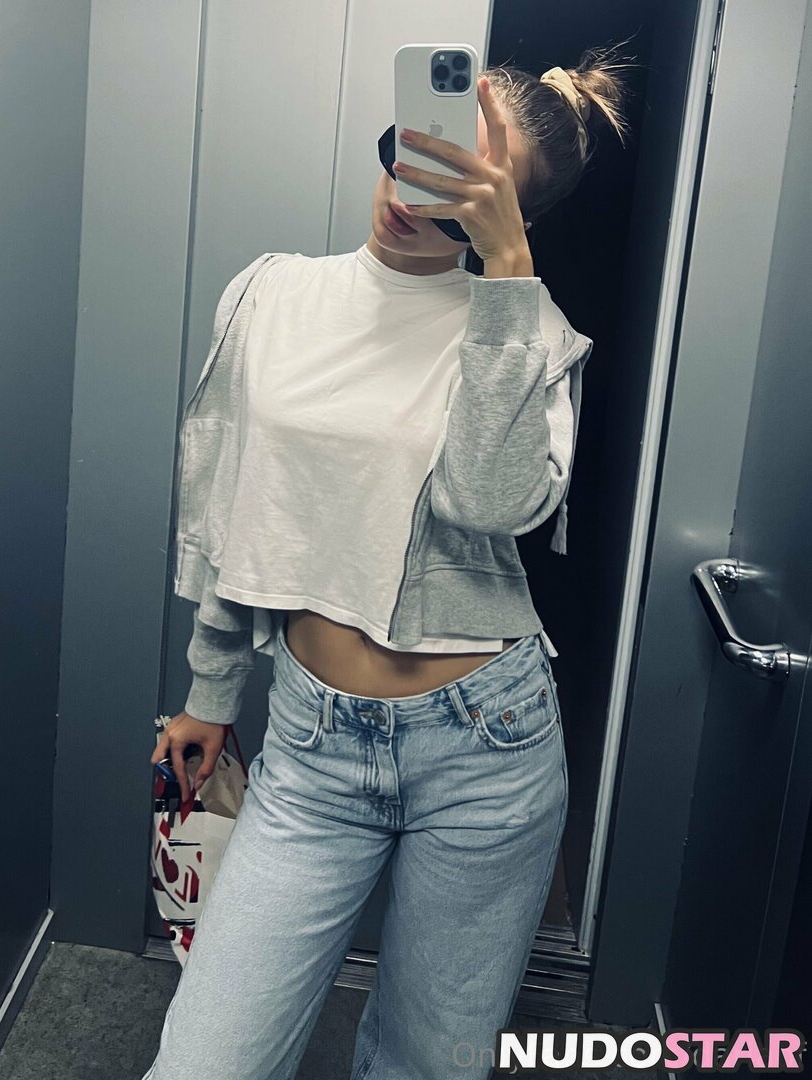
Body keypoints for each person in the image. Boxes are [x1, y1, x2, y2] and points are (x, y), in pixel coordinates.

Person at [144, 46, 631, 1080]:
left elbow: (488, 504)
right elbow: (232, 506)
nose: (415, 203)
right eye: (419, 158)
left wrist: (507, 279)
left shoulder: (530, 336)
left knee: (426, 1062)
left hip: (486, 748)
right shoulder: (270, 295)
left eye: (463, 198)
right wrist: (209, 691)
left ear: (503, 220)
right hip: (312, 747)